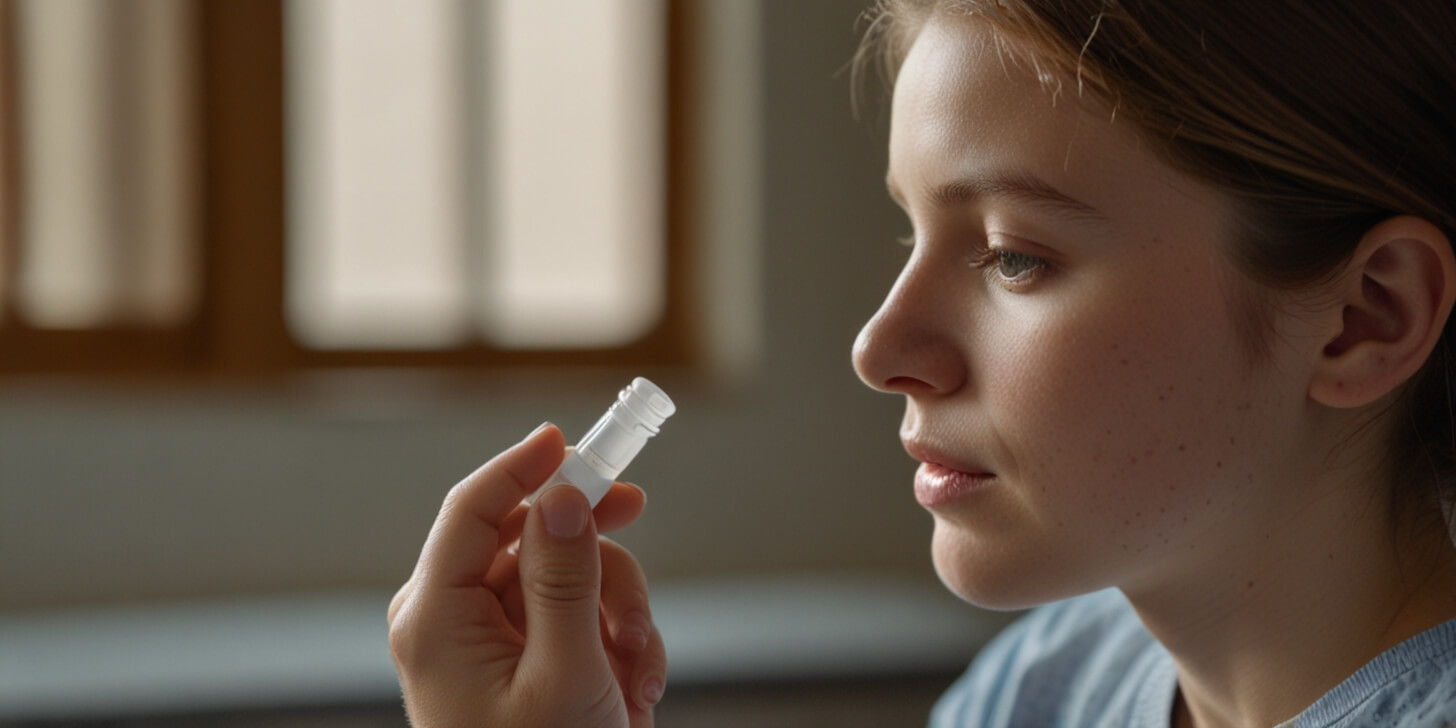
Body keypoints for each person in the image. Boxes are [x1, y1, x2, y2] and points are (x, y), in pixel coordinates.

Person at [387, 1, 1456, 725]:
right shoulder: (1046, 683)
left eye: (1012, 257)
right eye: (912, 234)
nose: (878, 348)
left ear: (1366, 315)